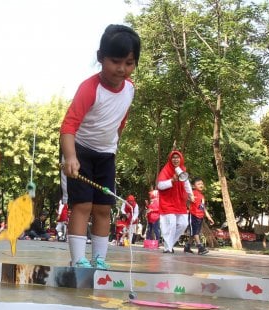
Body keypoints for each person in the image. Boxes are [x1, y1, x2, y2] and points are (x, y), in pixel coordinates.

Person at [60, 24, 141, 269]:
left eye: (129, 63)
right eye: (115, 61)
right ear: (100, 58)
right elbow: (68, 126)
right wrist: (71, 157)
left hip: (106, 155)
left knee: (104, 208)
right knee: (82, 205)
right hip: (81, 151)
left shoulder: (130, 89)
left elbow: (120, 121)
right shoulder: (89, 88)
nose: (121, 69)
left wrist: (114, 146)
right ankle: (78, 260)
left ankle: (99, 259)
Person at [157, 150, 194, 254]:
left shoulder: (182, 169)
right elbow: (160, 185)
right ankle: (168, 248)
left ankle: (169, 244)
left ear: (181, 159)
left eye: (178, 157)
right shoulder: (165, 170)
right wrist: (172, 181)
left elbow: (186, 183)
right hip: (168, 202)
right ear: (170, 159)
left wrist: (190, 194)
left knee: (183, 223)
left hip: (179, 201)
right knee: (171, 224)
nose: (175, 159)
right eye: (173, 158)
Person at [185, 178, 214, 255]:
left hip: (200, 216)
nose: (201, 185)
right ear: (193, 186)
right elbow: (186, 200)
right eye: (198, 184)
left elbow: (203, 207)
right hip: (193, 215)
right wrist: (189, 201)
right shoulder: (192, 193)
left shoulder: (202, 196)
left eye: (202, 183)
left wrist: (209, 217)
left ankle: (187, 247)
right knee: (195, 232)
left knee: (193, 233)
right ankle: (200, 247)